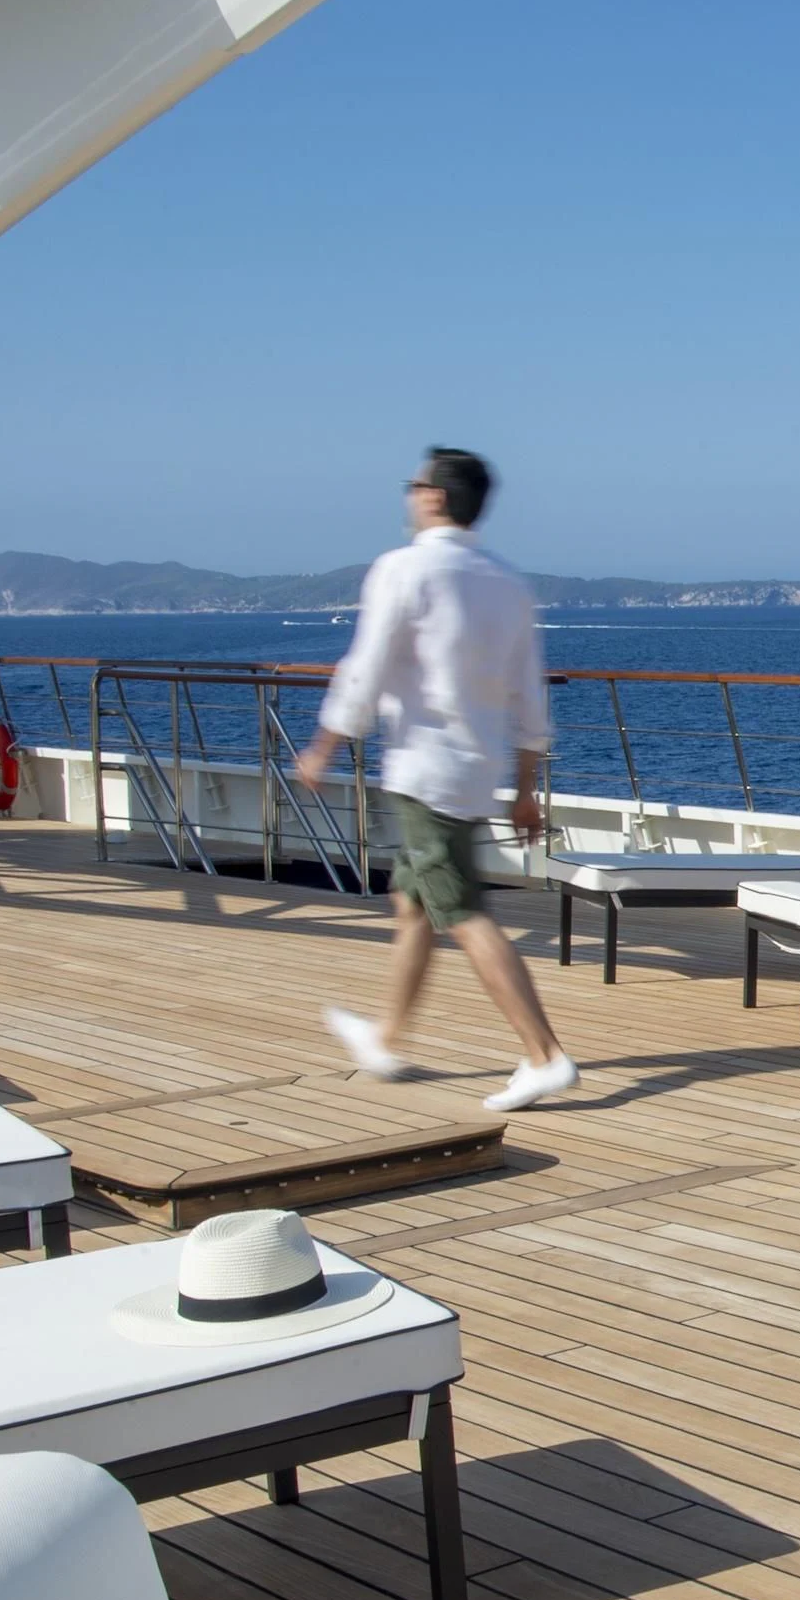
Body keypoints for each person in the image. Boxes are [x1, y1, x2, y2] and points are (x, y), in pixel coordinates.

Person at [296, 448, 578, 1112]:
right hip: (476, 770)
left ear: (433, 497)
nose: (410, 494)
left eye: (414, 485)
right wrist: (528, 786)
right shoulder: (507, 582)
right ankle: (388, 1036)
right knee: (414, 901)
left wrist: (324, 744)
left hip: (425, 771)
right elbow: (529, 699)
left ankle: (545, 1054)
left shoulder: (404, 569)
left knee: (463, 911)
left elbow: (365, 667)